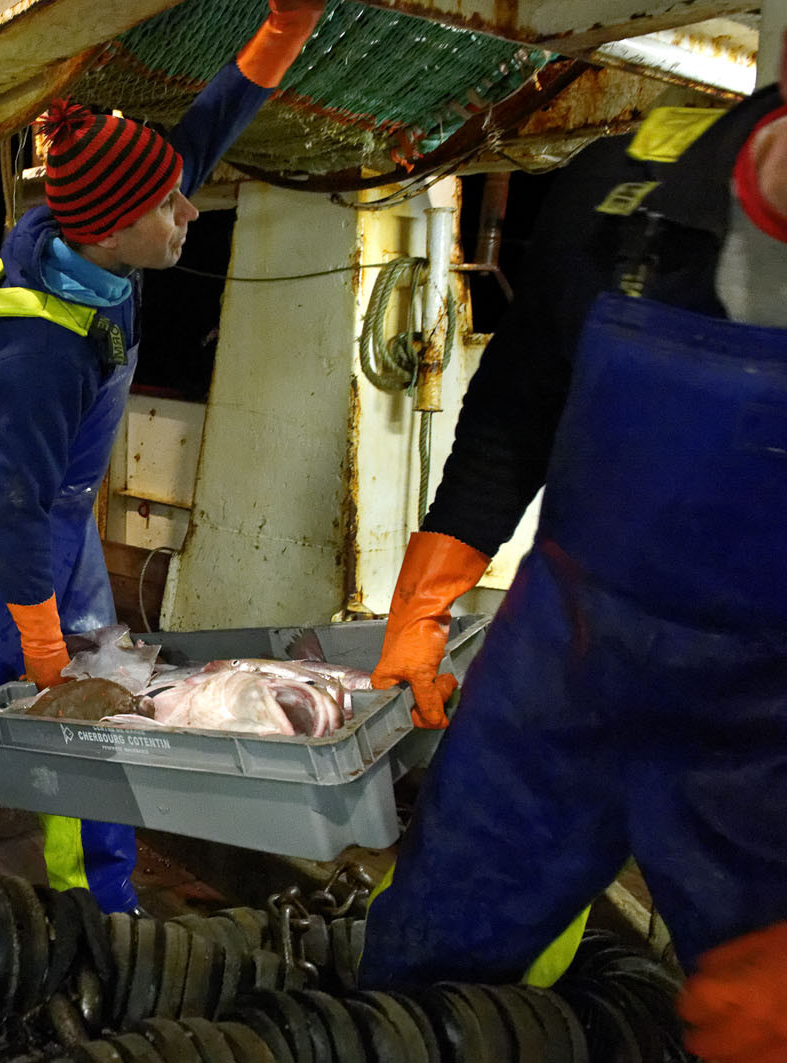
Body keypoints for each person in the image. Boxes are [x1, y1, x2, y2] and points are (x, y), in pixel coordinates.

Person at [0, 0, 328, 914]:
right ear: (108, 230)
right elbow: (12, 509)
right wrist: (42, 644)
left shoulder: (115, 234)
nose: (190, 211)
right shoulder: (40, 353)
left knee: (101, 710)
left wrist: (283, 27)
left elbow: (209, 126)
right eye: (168, 206)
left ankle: (98, 896)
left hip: (59, 519)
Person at [359, 35, 787, 1062]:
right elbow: (515, 409)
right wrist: (426, 601)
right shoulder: (620, 193)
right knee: (415, 988)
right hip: (553, 687)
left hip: (765, 761)